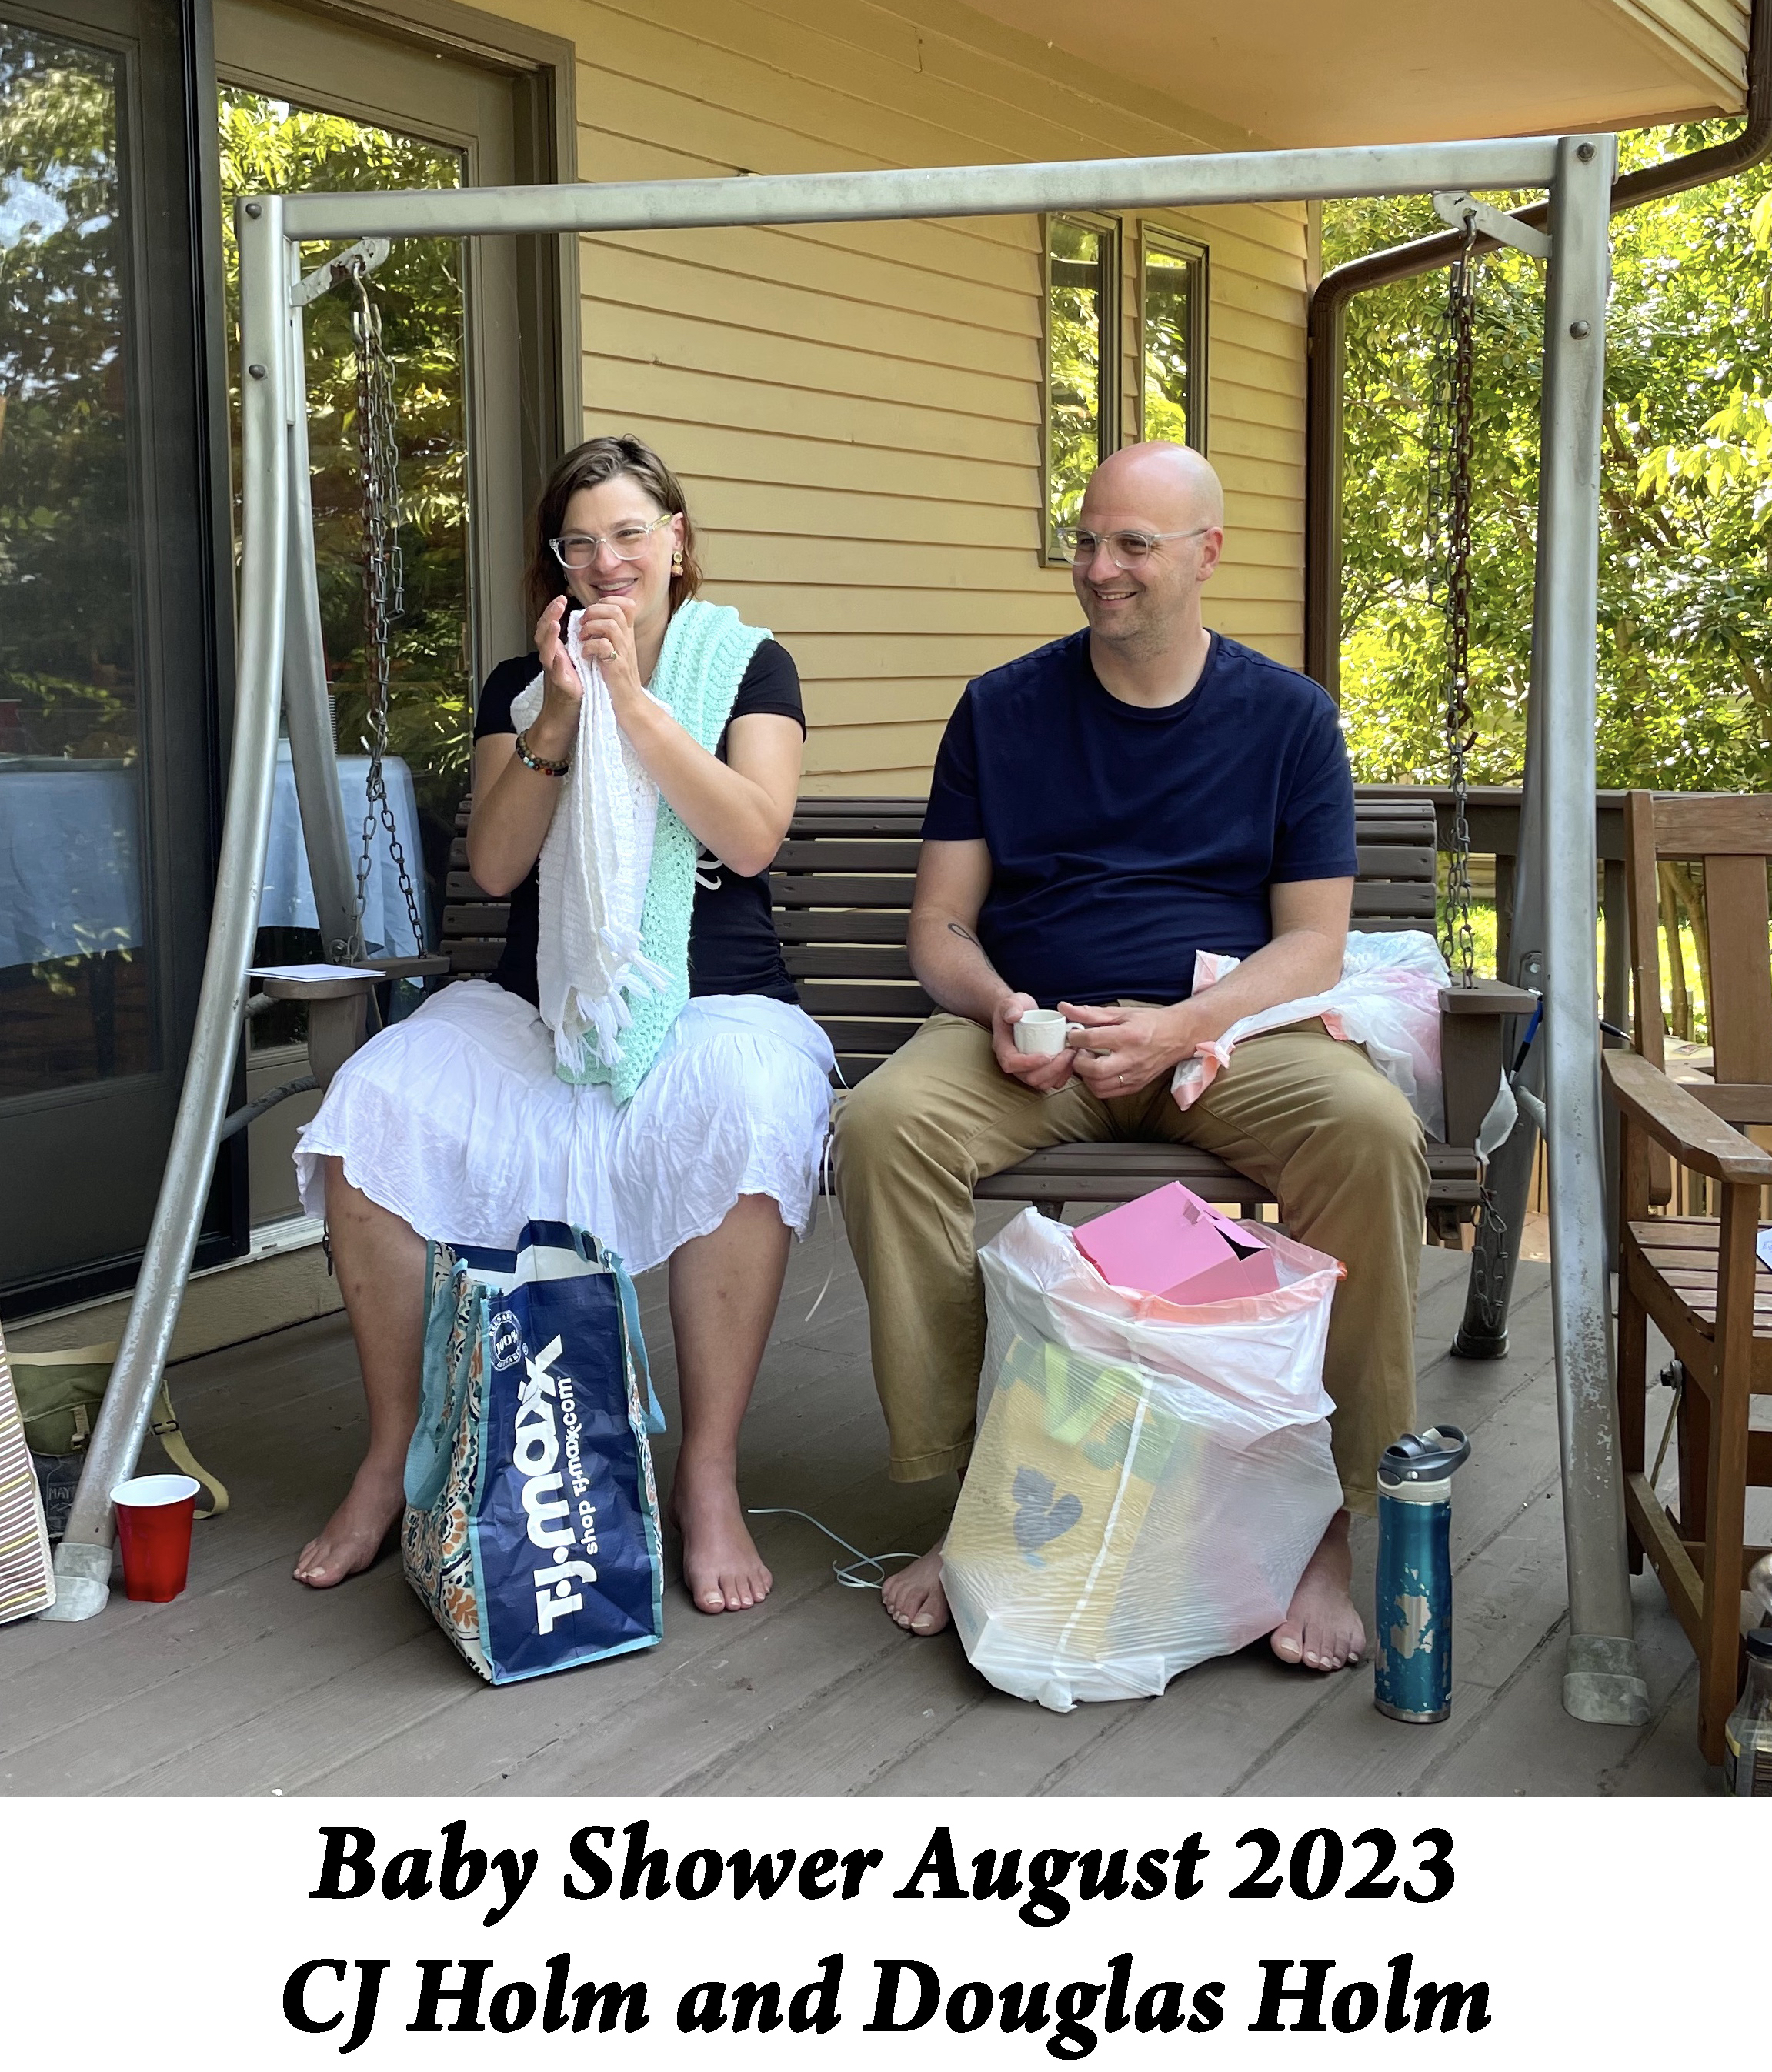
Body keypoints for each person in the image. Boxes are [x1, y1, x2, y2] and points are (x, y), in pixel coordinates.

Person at [833, 441, 1429, 1671]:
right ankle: (972, 1504)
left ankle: (1325, 1520)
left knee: (1369, 1133)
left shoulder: (1288, 718)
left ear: (1208, 553)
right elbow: (939, 923)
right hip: (1035, 1040)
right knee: (887, 1127)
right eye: (1087, 540)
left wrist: (1184, 1026)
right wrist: (1000, 1002)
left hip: (1220, 1038)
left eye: (1134, 544)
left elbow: (1312, 944)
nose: (1100, 568)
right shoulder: (1002, 708)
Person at [291, 433, 833, 1615]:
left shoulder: (748, 666)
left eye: (631, 534)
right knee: (372, 1108)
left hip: (720, 1001)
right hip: (541, 1006)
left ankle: (707, 1475)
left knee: (745, 1110)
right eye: (581, 544)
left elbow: (749, 835)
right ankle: (394, 1455)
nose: (608, 562)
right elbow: (494, 866)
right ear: (557, 564)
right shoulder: (519, 686)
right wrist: (560, 718)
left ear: (677, 541)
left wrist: (634, 704)